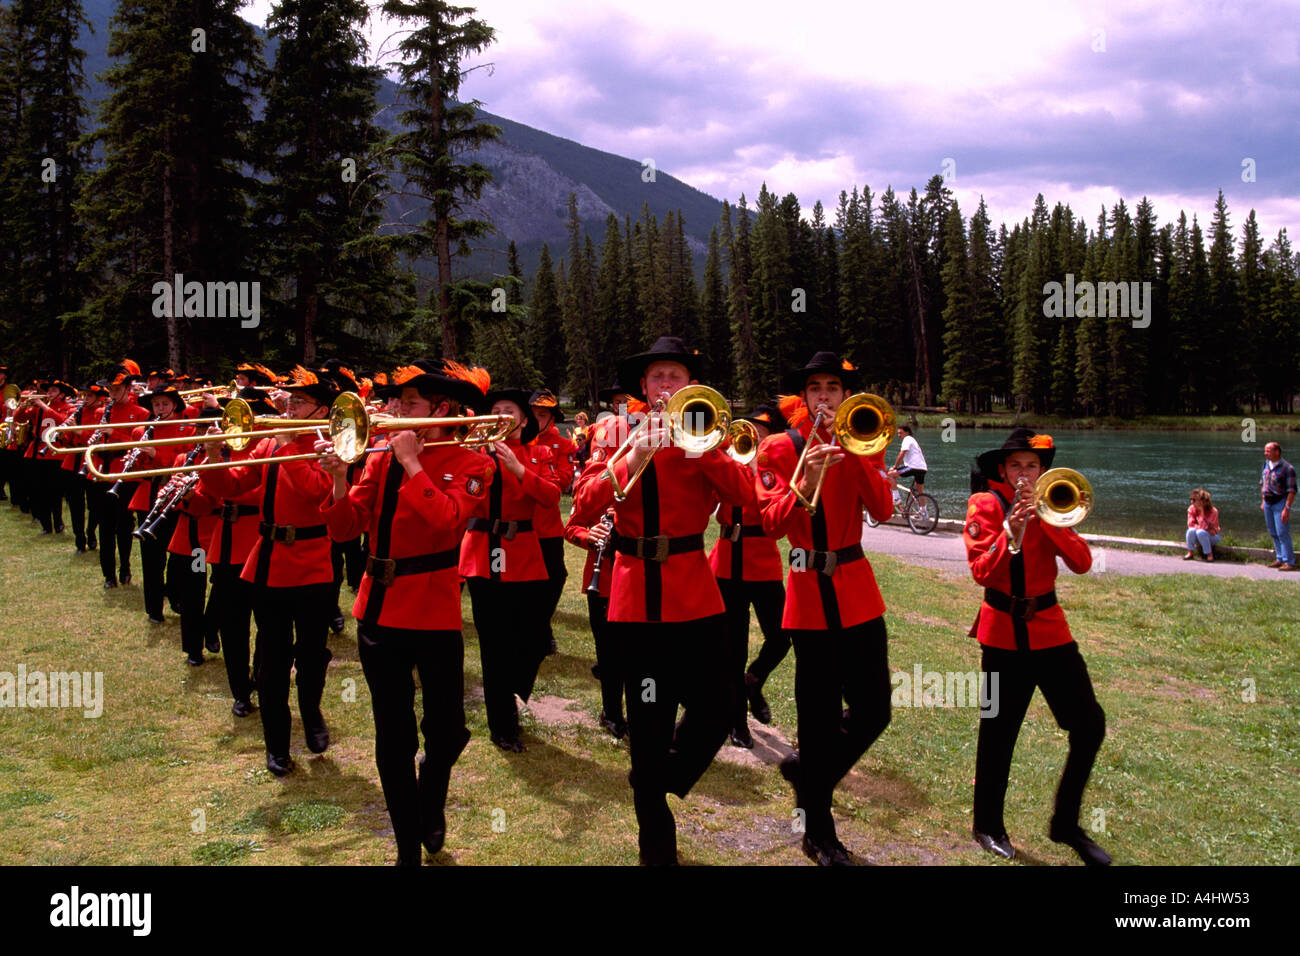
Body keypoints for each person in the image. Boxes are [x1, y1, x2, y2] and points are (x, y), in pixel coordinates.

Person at [572, 335, 755, 865]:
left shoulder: (705, 437)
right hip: (633, 595)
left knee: (719, 709)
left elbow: (745, 497)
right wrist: (638, 452)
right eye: (658, 377)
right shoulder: (619, 438)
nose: (666, 385)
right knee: (648, 719)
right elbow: (583, 506)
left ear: (690, 387)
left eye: (676, 376)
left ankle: (651, 777)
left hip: (694, 592)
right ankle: (657, 846)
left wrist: (702, 452)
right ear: (643, 389)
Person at [318, 361, 495, 865]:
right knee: (392, 733)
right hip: (377, 610)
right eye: (395, 403)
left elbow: (447, 522)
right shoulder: (378, 461)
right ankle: (405, 849)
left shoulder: (473, 464)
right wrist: (336, 480)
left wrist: (414, 465)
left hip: (435, 612)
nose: (394, 412)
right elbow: (345, 530)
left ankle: (431, 792)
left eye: (408, 405)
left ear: (440, 410)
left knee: (448, 730)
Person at [755, 352, 894, 866]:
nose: (825, 397)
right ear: (803, 398)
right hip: (808, 593)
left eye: (834, 388)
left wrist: (857, 453)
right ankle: (818, 832)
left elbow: (882, 509)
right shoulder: (777, 448)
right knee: (816, 720)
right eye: (816, 388)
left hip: (857, 588)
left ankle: (808, 774)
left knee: (875, 710)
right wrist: (806, 478)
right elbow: (769, 525)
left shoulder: (866, 438)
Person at [963, 427, 1110, 866]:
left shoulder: (1055, 507)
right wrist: (1011, 531)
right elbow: (981, 572)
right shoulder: (984, 505)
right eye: (1015, 466)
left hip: (1050, 633)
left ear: (1043, 471)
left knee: (1089, 725)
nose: (1023, 474)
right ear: (1002, 472)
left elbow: (1083, 564)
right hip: (1002, 637)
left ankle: (1065, 822)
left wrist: (1046, 520)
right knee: (997, 735)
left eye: (1031, 466)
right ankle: (987, 825)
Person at [198, 365, 341, 776]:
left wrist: (287, 446)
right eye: (289, 400)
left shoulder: (337, 445)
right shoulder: (269, 444)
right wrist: (212, 458)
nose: (288, 406)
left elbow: (318, 493)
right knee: (272, 660)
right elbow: (233, 486)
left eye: (299, 402)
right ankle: (276, 746)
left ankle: (311, 709)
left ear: (321, 411)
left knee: (312, 654)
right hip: (267, 563)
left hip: (313, 560)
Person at [459, 387, 561, 752]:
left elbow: (551, 497)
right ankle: (502, 725)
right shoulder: (475, 453)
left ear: (523, 419)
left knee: (533, 637)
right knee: (494, 644)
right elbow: (465, 499)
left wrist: (519, 470)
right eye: (496, 410)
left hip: (523, 553)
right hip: (484, 553)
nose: (502, 414)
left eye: (510, 410)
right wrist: (474, 462)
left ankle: (516, 691)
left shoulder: (539, 452)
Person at [565, 379, 645, 739]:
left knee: (638, 655)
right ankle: (612, 712)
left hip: (637, 572)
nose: (623, 410)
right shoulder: (599, 468)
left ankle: (643, 710)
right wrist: (589, 535)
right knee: (609, 653)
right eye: (618, 403)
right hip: (604, 576)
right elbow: (573, 524)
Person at [708, 403, 789, 748]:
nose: (754, 436)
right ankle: (736, 721)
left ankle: (753, 681)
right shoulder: (726, 459)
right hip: (727, 561)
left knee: (782, 636)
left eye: (762, 430)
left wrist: (759, 468)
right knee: (732, 647)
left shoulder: (777, 467)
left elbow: (780, 521)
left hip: (763, 560)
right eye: (749, 429)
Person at [89, 361, 151, 589]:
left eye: (116, 389)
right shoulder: (101, 411)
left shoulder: (141, 413)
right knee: (104, 525)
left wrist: (113, 432)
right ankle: (108, 574)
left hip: (125, 474)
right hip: (102, 472)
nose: (112, 394)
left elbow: (140, 444)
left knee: (123, 524)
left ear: (128, 388)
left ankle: (125, 566)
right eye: (110, 390)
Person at [529, 387, 575, 656]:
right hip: (522, 525)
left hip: (547, 526)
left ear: (552, 418)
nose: (536, 418)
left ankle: (541, 625)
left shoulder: (564, 445)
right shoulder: (521, 441)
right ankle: (538, 631)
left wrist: (534, 479)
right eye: (532, 413)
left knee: (556, 577)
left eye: (542, 414)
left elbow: (565, 480)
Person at [1261, 442, 1296, 571]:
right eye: (1265, 451)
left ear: (1277, 452)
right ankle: (1279, 558)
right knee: (1273, 532)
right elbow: (1262, 483)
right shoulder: (1265, 465)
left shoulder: (1287, 468)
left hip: (1280, 502)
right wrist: (1262, 500)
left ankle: (1290, 562)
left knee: (1282, 532)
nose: (1265, 453)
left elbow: (1292, 490)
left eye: (1268, 451)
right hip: (1268, 503)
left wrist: (1287, 508)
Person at [889, 424, 927, 497]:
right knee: (920, 492)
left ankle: (896, 498)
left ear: (907, 433)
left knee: (890, 475)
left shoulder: (907, 439)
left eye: (901, 433)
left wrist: (895, 466)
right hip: (922, 468)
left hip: (911, 467)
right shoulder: (913, 441)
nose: (899, 435)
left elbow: (902, 453)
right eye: (898, 433)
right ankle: (923, 508)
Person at [1184, 489, 1221, 561]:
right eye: (1191, 499)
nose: (1192, 502)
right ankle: (1190, 553)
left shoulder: (1213, 511)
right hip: (1200, 534)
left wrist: (1202, 512)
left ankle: (1209, 554)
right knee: (1191, 531)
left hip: (1212, 536)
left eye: (1194, 500)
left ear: (1202, 501)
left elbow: (1206, 527)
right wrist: (1199, 527)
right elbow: (1190, 524)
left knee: (1201, 532)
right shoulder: (1191, 509)